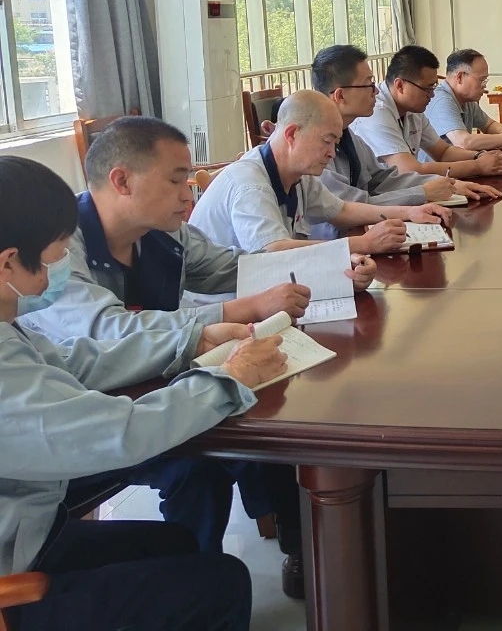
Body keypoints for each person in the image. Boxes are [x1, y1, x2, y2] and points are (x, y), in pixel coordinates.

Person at [15, 117, 370, 598]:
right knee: (207, 451)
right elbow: (106, 333)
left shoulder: (164, 232)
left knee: (249, 418)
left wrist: (331, 268)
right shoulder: (57, 247)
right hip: (85, 422)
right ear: (122, 180)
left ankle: (276, 551)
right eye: (177, 180)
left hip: (137, 391)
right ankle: (190, 588)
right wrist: (228, 319)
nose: (190, 194)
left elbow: (233, 267)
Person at [0, 156, 287, 631]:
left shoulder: (8, 327)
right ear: (9, 260)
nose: (62, 265)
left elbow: (76, 361)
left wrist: (191, 341)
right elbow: (115, 433)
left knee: (178, 545)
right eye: (56, 253)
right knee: (222, 582)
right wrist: (228, 379)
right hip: (14, 578)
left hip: (29, 532)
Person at [190, 90, 453, 254]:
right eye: (327, 141)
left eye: (335, 143)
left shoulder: (297, 173)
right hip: (224, 307)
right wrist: (363, 244)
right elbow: (273, 252)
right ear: (292, 134)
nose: (331, 153)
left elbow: (341, 210)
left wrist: (410, 212)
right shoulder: (251, 184)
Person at [311, 44, 501, 214]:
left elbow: (382, 179)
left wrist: (450, 185)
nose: (375, 91)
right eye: (368, 84)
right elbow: (348, 205)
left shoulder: (348, 136)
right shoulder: (317, 145)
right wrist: (423, 192)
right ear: (340, 95)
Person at [350, 45, 502, 180]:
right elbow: (410, 170)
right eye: (427, 89)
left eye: (433, 87)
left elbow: (443, 152)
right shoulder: (376, 112)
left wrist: (479, 156)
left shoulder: (413, 108)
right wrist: (477, 166)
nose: (432, 95)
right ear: (400, 85)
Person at [426, 49, 502, 151]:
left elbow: (489, 125)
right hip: (440, 164)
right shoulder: (441, 100)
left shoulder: (466, 100)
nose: (484, 86)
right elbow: (464, 143)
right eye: (481, 80)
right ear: (460, 77)